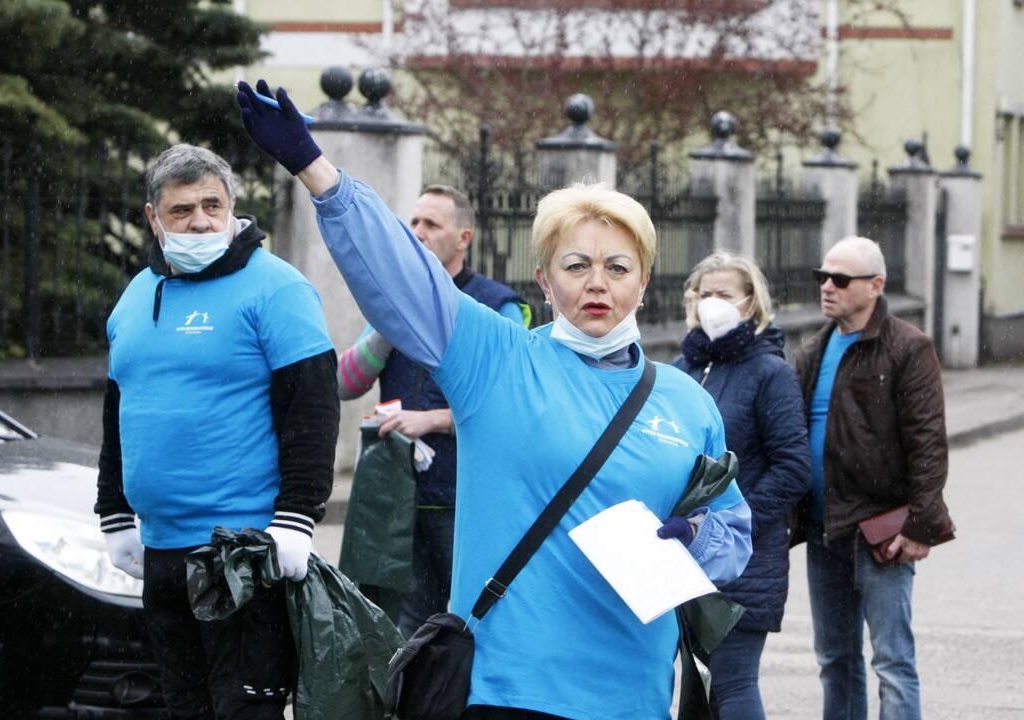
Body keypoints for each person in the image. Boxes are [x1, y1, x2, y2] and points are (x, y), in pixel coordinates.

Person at [237, 79, 753, 719]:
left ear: (644, 282)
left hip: (635, 698)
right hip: (508, 694)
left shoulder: (685, 402)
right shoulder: (498, 359)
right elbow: (402, 273)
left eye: (618, 267)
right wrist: (319, 173)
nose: (598, 283)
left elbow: (734, 534)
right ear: (544, 279)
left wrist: (695, 534)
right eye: (576, 265)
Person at [94, 144, 339, 719]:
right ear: (154, 218)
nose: (200, 221)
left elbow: (313, 409)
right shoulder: (134, 297)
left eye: (213, 205)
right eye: (182, 210)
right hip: (160, 552)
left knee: (242, 711)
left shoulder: (277, 289)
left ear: (233, 208)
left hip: (241, 554)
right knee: (185, 708)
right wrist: (113, 513)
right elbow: (118, 410)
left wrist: (297, 517)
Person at [337, 184, 530, 637]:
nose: (417, 232)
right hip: (401, 496)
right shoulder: (392, 301)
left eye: (432, 224)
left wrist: (433, 420)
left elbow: (512, 405)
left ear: (464, 237)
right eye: (414, 222)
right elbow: (345, 383)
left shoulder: (500, 305)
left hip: (467, 496)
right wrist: (389, 327)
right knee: (407, 628)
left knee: (474, 622)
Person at [793, 236, 953, 720]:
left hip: (881, 529)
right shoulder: (812, 348)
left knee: (892, 661)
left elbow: (928, 442)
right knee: (835, 659)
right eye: (822, 276)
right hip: (825, 531)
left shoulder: (908, 346)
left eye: (840, 279)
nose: (827, 287)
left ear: (875, 285)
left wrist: (921, 526)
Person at [673, 251, 810, 720]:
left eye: (724, 294)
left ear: (751, 303)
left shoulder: (769, 372)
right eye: (704, 293)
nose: (712, 303)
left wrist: (731, 521)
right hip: (680, 552)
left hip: (743, 560)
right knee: (691, 684)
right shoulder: (683, 370)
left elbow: (793, 467)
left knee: (732, 684)